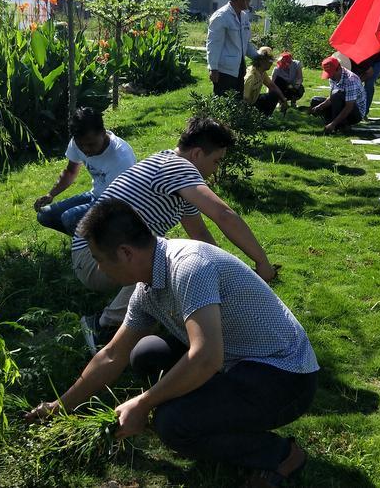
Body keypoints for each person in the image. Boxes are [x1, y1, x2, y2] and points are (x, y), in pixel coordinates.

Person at [27, 199, 318, 487]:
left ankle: (280, 456)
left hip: (285, 375)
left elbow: (206, 358)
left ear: (125, 252)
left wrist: (143, 404)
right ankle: (208, 406)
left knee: (172, 424)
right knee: (145, 354)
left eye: (100, 260)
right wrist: (59, 406)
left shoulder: (188, 267)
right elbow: (113, 355)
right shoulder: (147, 287)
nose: (100, 269)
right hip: (235, 360)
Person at [71, 117, 277, 351]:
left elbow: (200, 236)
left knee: (175, 255)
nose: (215, 169)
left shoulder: (173, 174)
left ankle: (141, 320)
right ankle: (104, 326)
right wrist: (262, 263)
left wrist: (229, 277)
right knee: (164, 258)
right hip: (93, 258)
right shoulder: (178, 168)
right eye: (217, 161)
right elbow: (224, 215)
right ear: (197, 154)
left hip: (100, 254)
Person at [34, 107, 136, 235]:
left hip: (119, 206)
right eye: (80, 145)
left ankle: (103, 247)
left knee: (70, 218)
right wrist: (51, 194)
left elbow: (120, 202)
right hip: (96, 196)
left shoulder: (121, 157)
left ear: (103, 133)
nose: (85, 150)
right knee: (45, 215)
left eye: (91, 144)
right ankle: (88, 241)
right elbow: (71, 171)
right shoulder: (78, 141)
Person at [207, 0, 260, 97]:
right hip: (223, 71)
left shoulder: (244, 17)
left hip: (240, 69)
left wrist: (259, 57)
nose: (249, 1)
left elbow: (245, 44)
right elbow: (213, 44)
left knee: (237, 104)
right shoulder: (221, 16)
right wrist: (213, 68)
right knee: (223, 104)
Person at [310, 56, 368, 133]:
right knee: (315, 101)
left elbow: (349, 107)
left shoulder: (351, 80)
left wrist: (333, 124)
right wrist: (319, 106)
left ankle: (338, 125)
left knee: (337, 95)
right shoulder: (333, 77)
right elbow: (331, 98)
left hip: (355, 112)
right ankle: (335, 123)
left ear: (339, 69)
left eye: (332, 74)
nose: (330, 77)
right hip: (341, 102)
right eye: (328, 74)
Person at [244, 47, 289, 115]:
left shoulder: (262, 72)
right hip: (247, 105)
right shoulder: (251, 76)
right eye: (270, 61)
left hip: (254, 100)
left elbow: (272, 86)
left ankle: (265, 118)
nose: (271, 63)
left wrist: (283, 99)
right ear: (262, 61)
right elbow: (245, 98)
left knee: (274, 95)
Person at [353, 51, 380, 118]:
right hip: (365, 60)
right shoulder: (347, 60)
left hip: (376, 62)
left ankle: (364, 112)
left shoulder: (362, 60)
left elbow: (370, 73)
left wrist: (357, 82)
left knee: (369, 84)